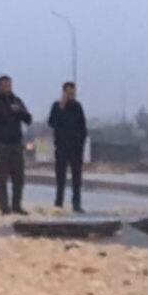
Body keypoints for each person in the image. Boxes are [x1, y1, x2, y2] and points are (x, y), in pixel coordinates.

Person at [0, 75, 33, 215]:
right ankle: (4, 208)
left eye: (9, 85)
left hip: (16, 144)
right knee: (2, 178)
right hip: (1, 145)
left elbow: (28, 119)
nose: (6, 88)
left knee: (19, 177)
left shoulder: (17, 101)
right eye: (4, 85)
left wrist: (20, 111)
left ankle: (17, 206)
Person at [48, 81, 87, 212]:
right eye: (69, 93)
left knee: (77, 177)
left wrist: (80, 141)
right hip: (61, 147)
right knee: (60, 177)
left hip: (76, 148)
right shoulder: (56, 106)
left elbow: (83, 127)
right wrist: (61, 107)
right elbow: (52, 122)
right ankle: (58, 203)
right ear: (64, 92)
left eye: (73, 93)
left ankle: (76, 204)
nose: (72, 95)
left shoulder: (77, 107)